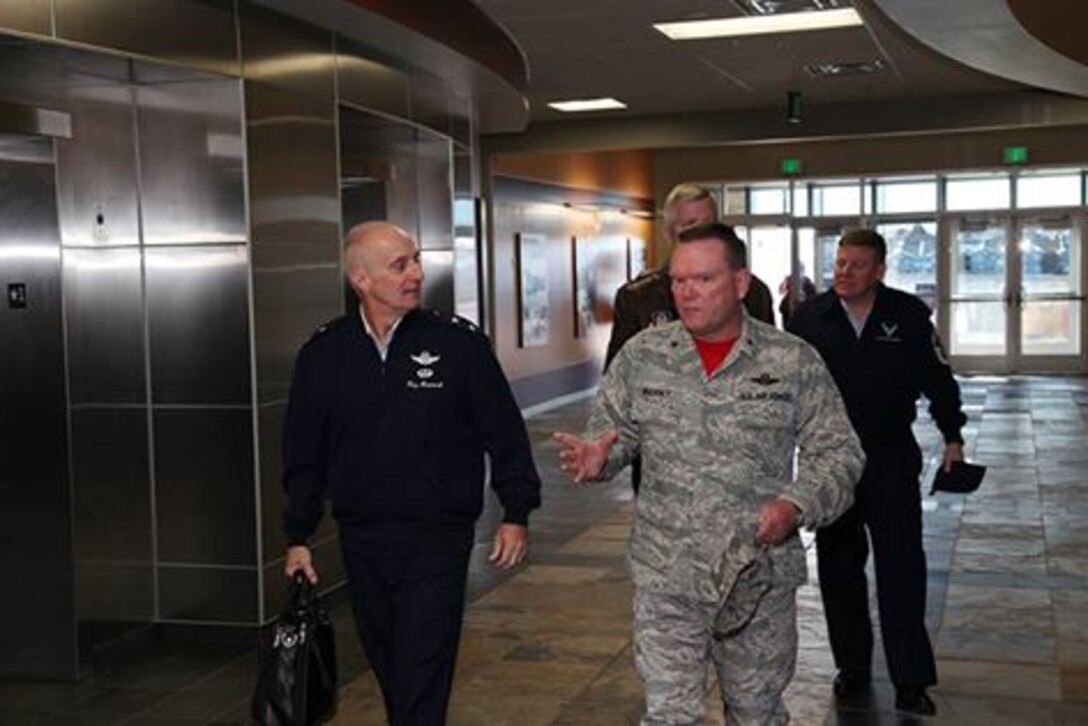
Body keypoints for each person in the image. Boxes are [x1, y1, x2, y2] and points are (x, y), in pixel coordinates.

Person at [555, 222, 864, 725]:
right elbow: (613, 434)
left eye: (702, 280)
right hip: (668, 573)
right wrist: (599, 457)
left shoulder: (791, 361)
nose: (686, 293)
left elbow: (839, 454)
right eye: (678, 281)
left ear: (741, 283)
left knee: (755, 713)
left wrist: (796, 505)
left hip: (756, 574)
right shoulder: (643, 356)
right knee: (670, 716)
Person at [281, 221, 542, 725]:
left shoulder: (458, 345)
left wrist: (516, 510)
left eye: (416, 260)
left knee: (423, 660)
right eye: (400, 265)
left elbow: (504, 432)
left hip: (437, 535)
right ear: (361, 278)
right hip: (362, 536)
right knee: (388, 660)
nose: (416, 274)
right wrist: (298, 534)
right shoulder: (324, 353)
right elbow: (303, 452)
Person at [787, 228, 968, 717]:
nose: (843, 273)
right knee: (839, 569)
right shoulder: (809, 318)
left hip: (889, 458)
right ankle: (853, 668)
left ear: (880, 270)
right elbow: (789, 393)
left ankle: (911, 680)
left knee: (902, 567)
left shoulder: (908, 315)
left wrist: (952, 435)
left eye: (856, 265)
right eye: (839, 263)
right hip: (831, 465)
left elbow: (938, 379)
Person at [604, 183, 775, 495]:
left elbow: (769, 374)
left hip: (741, 464)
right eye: (690, 227)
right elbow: (618, 388)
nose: (702, 235)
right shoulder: (638, 298)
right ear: (669, 234)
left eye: (710, 225)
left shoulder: (753, 293)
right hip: (665, 470)